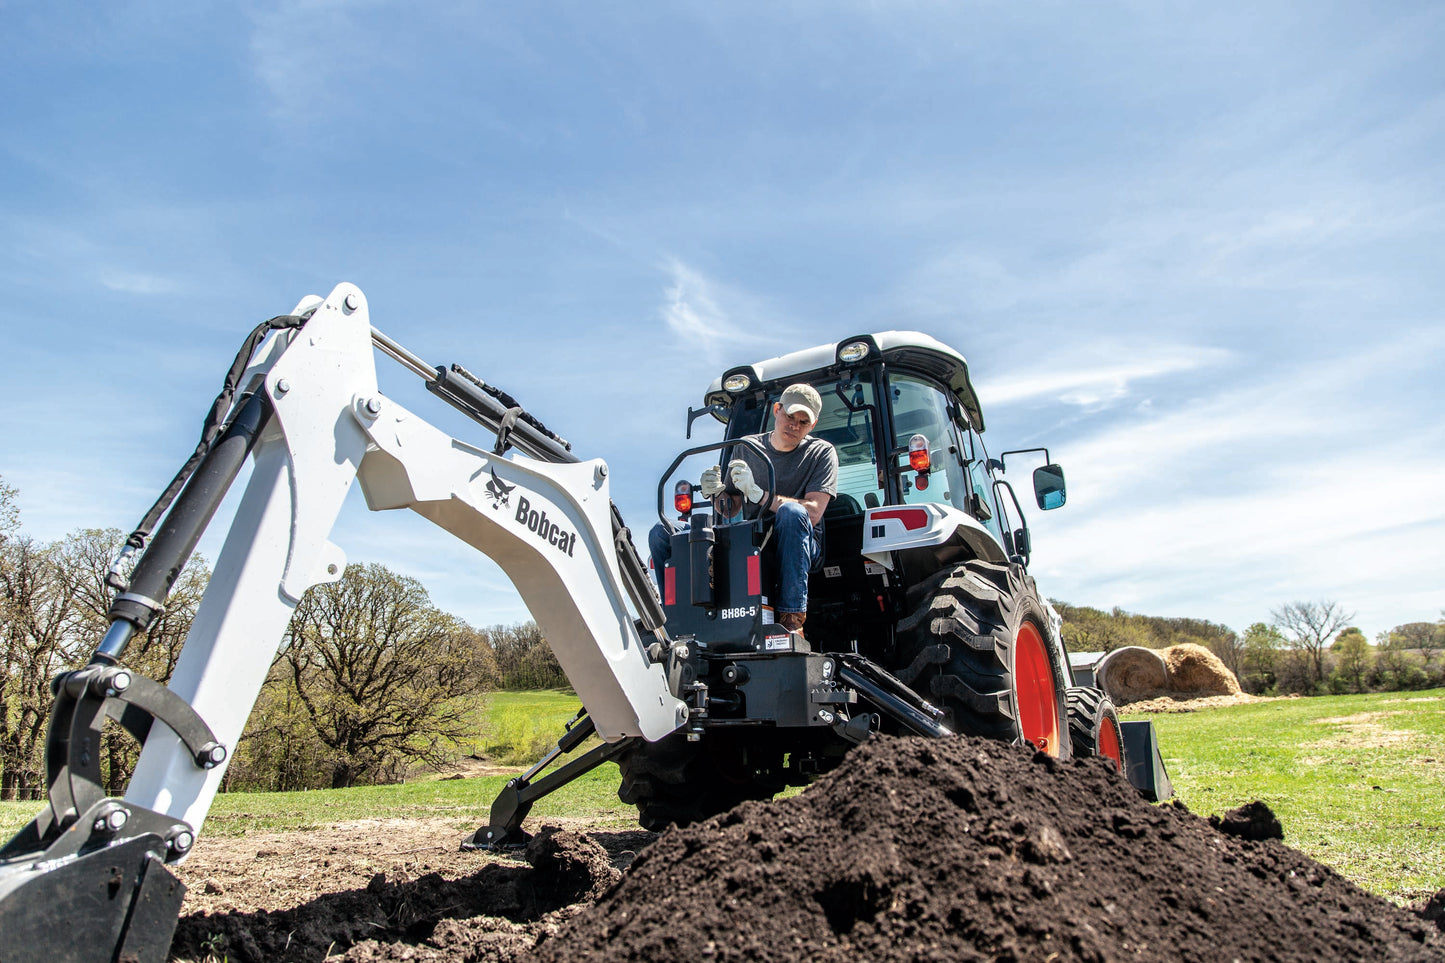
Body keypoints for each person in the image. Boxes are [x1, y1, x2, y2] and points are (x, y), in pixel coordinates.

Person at [650, 383, 838, 636]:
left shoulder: (821, 453)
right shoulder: (746, 447)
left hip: (799, 541)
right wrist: (717, 492)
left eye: (803, 422)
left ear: (812, 426)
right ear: (777, 410)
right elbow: (731, 507)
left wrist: (760, 495)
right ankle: (671, 619)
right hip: (752, 538)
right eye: (790, 416)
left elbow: (813, 513)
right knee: (662, 531)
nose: (795, 425)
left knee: (792, 513)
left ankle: (791, 621)